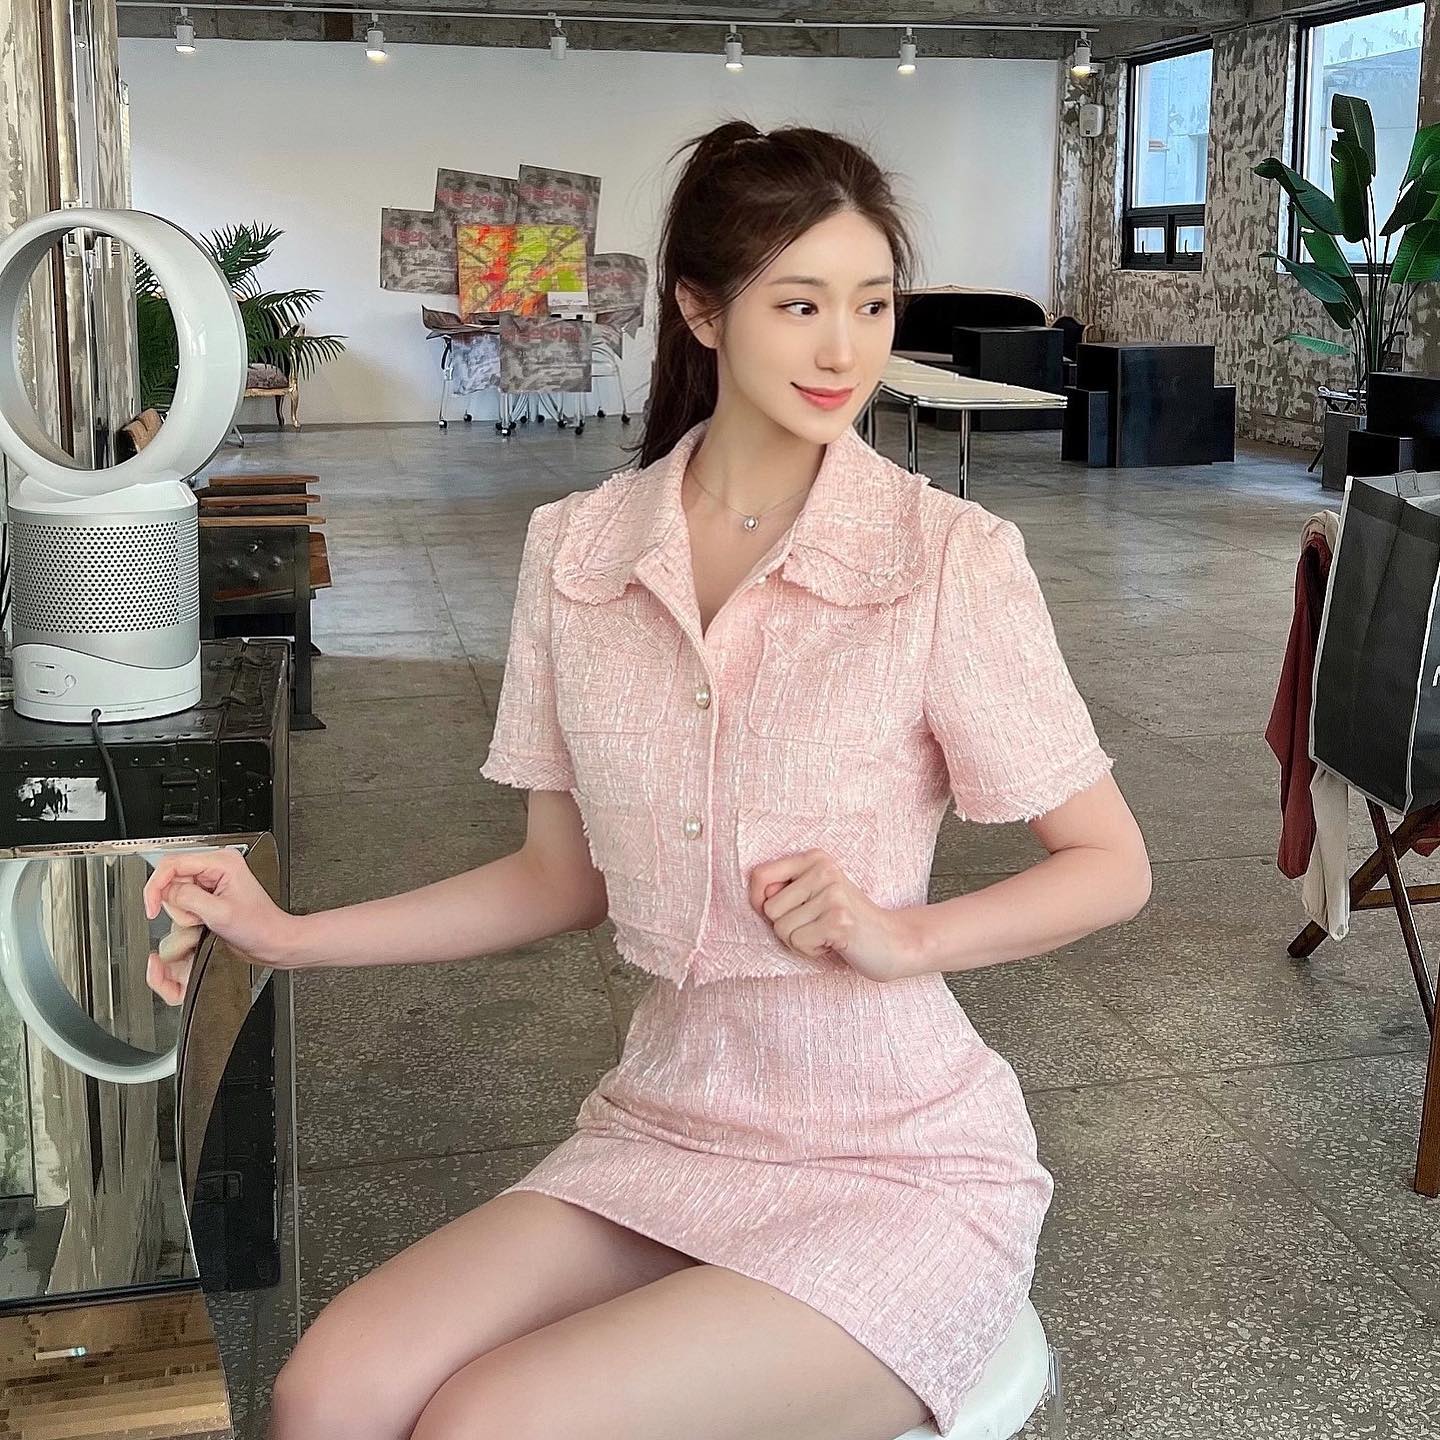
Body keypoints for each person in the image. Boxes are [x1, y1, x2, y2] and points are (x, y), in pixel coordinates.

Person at [145, 119, 1151, 1440]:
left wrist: (905, 936)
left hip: (897, 1159)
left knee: (491, 1425)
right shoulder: (579, 553)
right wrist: (285, 935)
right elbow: (556, 879)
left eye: (871, 304)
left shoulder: (945, 558)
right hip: (669, 1125)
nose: (845, 350)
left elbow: (1111, 865)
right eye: (800, 304)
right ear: (701, 309)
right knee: (326, 1396)